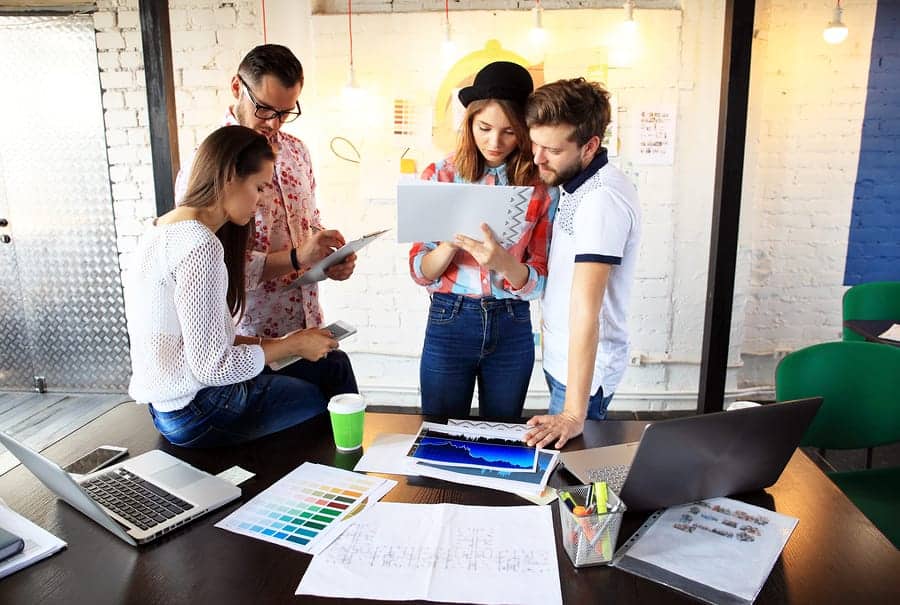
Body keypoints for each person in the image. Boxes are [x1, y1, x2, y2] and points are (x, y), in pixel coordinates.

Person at [126, 125, 339, 448]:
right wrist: (292, 345)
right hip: (198, 409)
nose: (262, 200)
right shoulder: (199, 244)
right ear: (229, 178)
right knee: (316, 397)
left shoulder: (161, 230)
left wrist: (285, 341)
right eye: (259, 187)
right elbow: (213, 367)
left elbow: (199, 341)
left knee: (333, 363)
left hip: (167, 407)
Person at [175, 44, 358, 401]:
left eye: (286, 112)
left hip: (307, 324)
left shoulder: (296, 150)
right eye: (264, 108)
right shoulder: (209, 163)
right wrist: (296, 257)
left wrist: (328, 257)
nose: (274, 123)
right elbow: (213, 263)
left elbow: (310, 224)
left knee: (325, 426)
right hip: (250, 340)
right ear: (235, 88)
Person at [408, 61, 556, 419]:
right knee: (439, 435)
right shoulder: (440, 175)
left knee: (503, 439)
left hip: (512, 323)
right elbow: (419, 270)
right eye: (484, 128)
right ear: (470, 122)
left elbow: (538, 281)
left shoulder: (540, 185)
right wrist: (450, 243)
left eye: (509, 131)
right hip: (450, 319)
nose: (495, 141)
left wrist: (503, 262)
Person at [523, 78, 642, 449]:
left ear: (590, 146)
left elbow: (587, 309)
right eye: (535, 144)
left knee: (571, 482)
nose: (538, 158)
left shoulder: (600, 200)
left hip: (582, 382)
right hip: (565, 363)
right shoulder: (577, 185)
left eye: (552, 150)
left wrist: (574, 413)